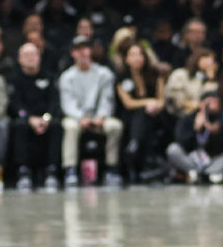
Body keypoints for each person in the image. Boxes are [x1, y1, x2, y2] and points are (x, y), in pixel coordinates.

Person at [59, 35, 123, 187]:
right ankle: (70, 170)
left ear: (90, 51)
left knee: (115, 126)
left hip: (99, 116)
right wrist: (81, 117)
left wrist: (101, 116)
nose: (82, 52)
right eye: (78, 49)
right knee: (70, 127)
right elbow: (68, 104)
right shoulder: (67, 77)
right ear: (73, 53)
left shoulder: (104, 74)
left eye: (85, 48)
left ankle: (112, 168)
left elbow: (107, 99)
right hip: (76, 117)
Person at [8, 43, 62, 191]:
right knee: (19, 126)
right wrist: (30, 118)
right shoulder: (14, 79)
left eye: (33, 54)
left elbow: (54, 102)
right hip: (25, 119)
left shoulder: (49, 77)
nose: (30, 58)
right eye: (26, 55)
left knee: (57, 126)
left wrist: (46, 118)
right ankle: (23, 171)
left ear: (39, 57)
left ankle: (52, 171)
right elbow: (15, 105)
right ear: (19, 59)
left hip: (46, 119)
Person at [115, 41, 167, 182]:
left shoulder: (155, 74)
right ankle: (144, 160)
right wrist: (147, 102)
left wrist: (155, 105)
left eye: (140, 55)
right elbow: (128, 103)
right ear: (126, 58)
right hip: (131, 115)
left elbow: (161, 100)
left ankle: (134, 145)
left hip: (155, 114)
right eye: (133, 55)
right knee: (141, 115)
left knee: (148, 115)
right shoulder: (121, 76)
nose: (137, 58)